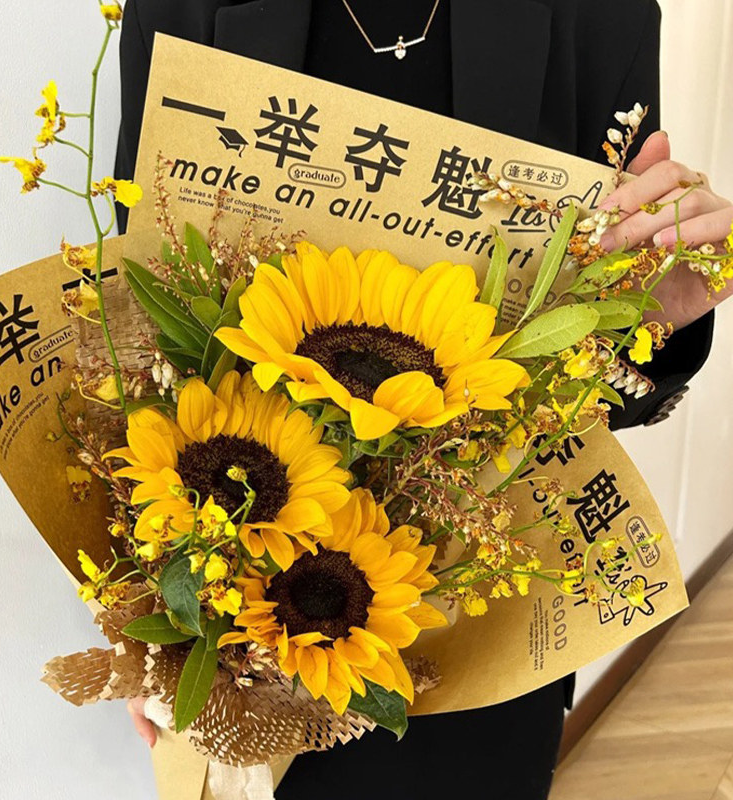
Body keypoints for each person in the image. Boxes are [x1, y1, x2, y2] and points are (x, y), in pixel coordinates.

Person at [115, 1, 733, 797]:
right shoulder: (183, 5)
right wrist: (141, 604)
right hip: (233, 617)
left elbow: (583, 386)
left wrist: (652, 318)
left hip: (479, 616)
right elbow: (137, 315)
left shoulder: (599, 16)